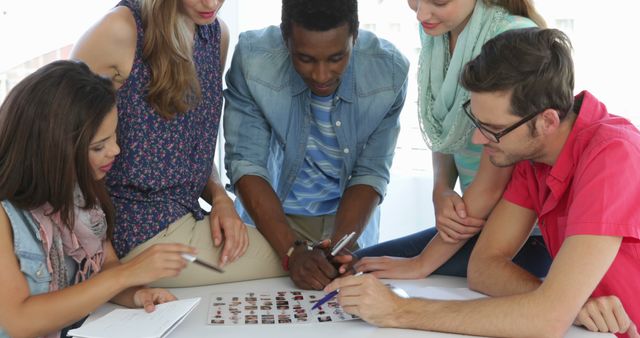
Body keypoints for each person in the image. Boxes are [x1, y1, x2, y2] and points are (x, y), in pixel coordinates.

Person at [327, 28, 640, 338]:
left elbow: (548, 320)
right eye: (477, 122)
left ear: (547, 121)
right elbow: (483, 269)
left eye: (493, 128)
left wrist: (398, 311)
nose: (478, 138)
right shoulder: (532, 155)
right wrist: (564, 300)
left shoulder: (612, 155)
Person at [71, 0, 284, 287]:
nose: (211, 3)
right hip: (134, 232)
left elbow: (190, 146)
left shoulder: (215, 34)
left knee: (296, 253)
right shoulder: (120, 30)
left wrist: (220, 197)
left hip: (187, 215)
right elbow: (57, 127)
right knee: (291, 262)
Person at [352, 0, 551, 279]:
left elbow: (491, 188)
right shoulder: (439, 29)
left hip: (526, 237)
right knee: (353, 266)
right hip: (475, 222)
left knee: (360, 271)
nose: (421, 13)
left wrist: (420, 264)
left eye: (439, 1)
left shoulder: (511, 41)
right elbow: (444, 127)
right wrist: (441, 189)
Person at [0, 60, 195, 338]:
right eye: (98, 146)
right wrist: (128, 274)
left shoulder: (79, 191)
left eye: (114, 136)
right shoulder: (5, 216)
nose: (115, 150)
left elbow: (107, 266)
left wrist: (138, 295)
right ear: (53, 150)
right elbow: (19, 321)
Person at [223, 0, 409, 290]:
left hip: (347, 222)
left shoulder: (390, 72)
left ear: (355, 35)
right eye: (305, 59)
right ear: (286, 37)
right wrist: (290, 251)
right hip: (270, 220)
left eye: (337, 58)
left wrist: (337, 248)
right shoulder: (253, 59)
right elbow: (246, 164)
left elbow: (370, 172)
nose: (321, 76)